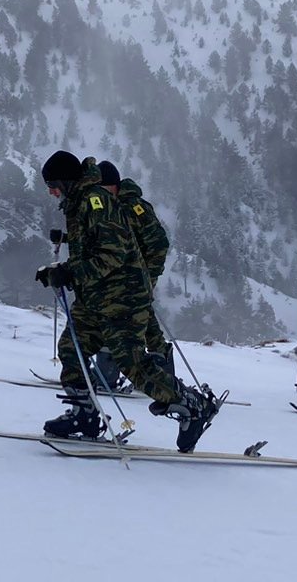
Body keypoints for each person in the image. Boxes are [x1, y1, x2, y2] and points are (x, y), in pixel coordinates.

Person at [36, 150, 218, 452]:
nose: (51, 191)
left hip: (123, 297)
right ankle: (85, 416)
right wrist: (59, 271)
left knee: (132, 363)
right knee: (72, 348)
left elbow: (113, 253)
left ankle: (193, 406)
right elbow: (91, 247)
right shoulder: (81, 203)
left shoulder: (97, 202)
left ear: (67, 181)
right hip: (96, 297)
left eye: (53, 184)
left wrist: (69, 273)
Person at [98, 159, 172, 374]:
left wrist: (148, 273)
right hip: (125, 272)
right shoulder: (113, 205)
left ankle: (111, 369)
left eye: (102, 188)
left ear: (113, 185)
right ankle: (161, 365)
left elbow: (158, 242)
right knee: (143, 312)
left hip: (141, 272)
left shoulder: (133, 207)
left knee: (121, 314)